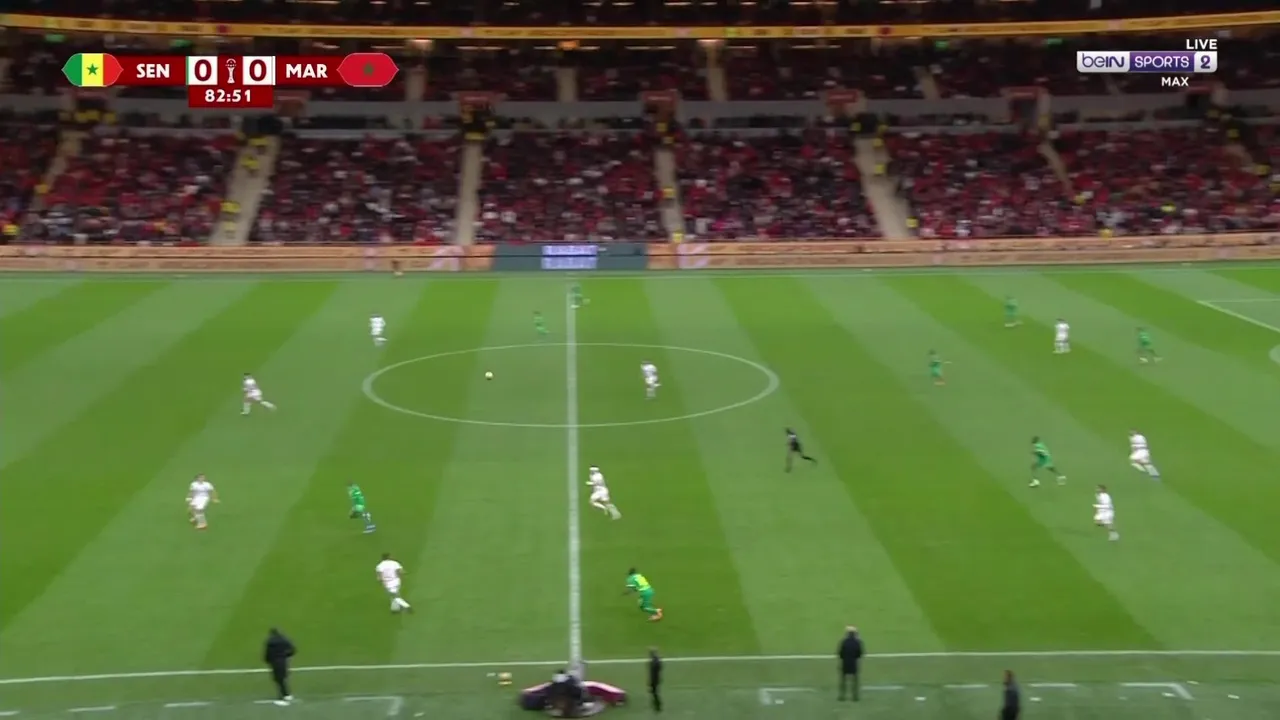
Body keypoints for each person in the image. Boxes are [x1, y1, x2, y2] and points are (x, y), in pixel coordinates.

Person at [263, 628, 296, 706]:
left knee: (278, 679)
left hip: (275, 662)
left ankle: (282, 697)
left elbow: (268, 653)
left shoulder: (270, 642)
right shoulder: (284, 640)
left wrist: (267, 660)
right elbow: (292, 650)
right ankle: (286, 694)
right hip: (283, 661)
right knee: (282, 678)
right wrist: (286, 655)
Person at [837, 626, 863, 701]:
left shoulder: (844, 642)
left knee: (843, 680)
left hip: (845, 663)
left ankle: (842, 696)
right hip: (853, 664)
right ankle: (855, 696)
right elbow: (859, 654)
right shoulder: (857, 642)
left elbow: (840, 654)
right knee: (855, 680)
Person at [648, 647, 663, 712]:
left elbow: (654, 671)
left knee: (654, 692)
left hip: (655, 679)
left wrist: (651, 681)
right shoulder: (656, 660)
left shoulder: (655, 661)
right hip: (655, 678)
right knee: (653, 691)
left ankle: (657, 704)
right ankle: (656, 703)